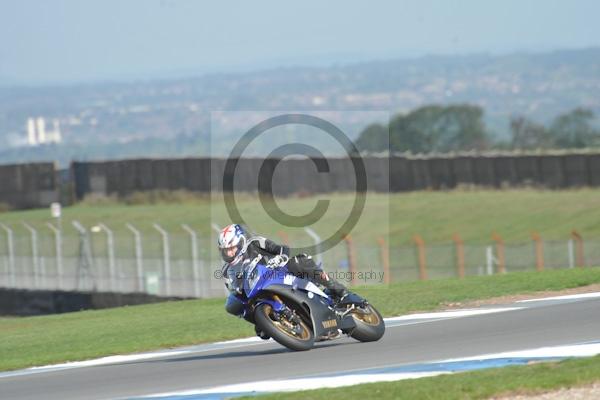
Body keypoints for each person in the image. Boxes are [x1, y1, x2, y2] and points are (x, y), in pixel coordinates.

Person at [218, 223, 348, 338]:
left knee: (300, 261)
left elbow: (281, 249)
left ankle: (339, 290)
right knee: (235, 305)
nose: (229, 253)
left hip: (279, 274)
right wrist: (259, 321)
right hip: (258, 291)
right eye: (226, 251)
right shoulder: (227, 271)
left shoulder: (255, 242)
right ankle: (271, 323)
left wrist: (280, 257)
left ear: (241, 241)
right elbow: (236, 291)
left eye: (232, 248)